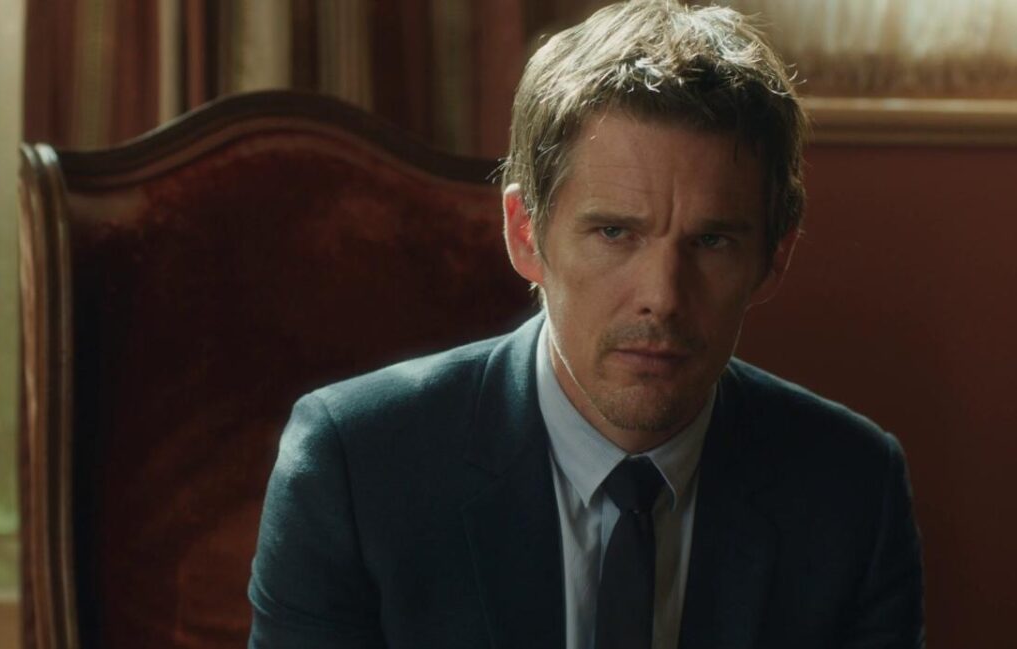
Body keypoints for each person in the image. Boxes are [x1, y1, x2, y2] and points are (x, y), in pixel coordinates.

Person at [248, 2, 925, 648]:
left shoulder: (853, 491)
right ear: (525, 235)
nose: (662, 297)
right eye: (614, 233)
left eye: (712, 241)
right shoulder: (355, 470)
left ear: (774, 259)